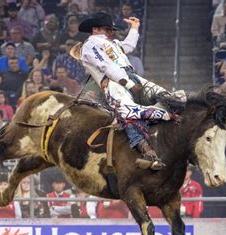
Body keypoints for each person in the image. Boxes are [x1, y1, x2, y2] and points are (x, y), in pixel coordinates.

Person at [79, 12, 184, 170]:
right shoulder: (90, 44)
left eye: (110, 29)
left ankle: (166, 129)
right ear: (95, 29)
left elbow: (128, 46)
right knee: (128, 114)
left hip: (130, 76)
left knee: (168, 97)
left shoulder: (111, 43)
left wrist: (134, 29)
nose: (110, 32)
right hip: (114, 82)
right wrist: (128, 84)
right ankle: (148, 152)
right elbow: (106, 66)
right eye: (107, 29)